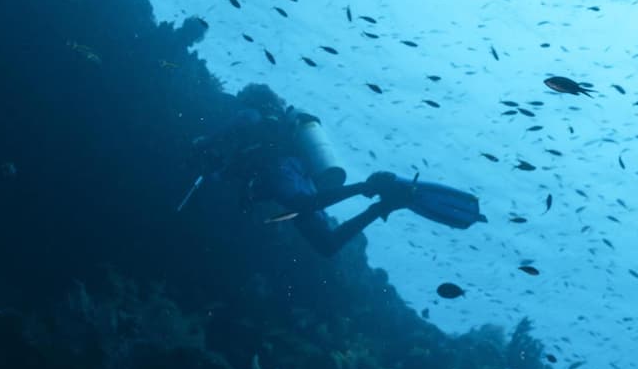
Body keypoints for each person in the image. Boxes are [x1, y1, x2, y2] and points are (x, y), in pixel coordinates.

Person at [181, 85, 484, 257]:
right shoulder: (265, 127)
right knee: (327, 245)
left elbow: (237, 126)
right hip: (291, 175)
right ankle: (382, 205)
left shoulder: (252, 114)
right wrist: (213, 174)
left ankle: (368, 186)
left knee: (303, 206)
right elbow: (232, 173)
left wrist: (203, 142)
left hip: (283, 169)